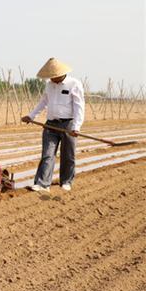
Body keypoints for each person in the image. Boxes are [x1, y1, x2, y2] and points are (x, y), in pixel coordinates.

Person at [21, 58, 85, 192]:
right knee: (47, 154)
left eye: (53, 77)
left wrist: (76, 127)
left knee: (68, 155)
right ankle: (43, 184)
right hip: (50, 125)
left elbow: (79, 107)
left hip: (68, 124)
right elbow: (43, 102)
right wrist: (31, 116)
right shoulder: (49, 85)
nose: (51, 79)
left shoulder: (74, 84)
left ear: (61, 74)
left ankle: (66, 181)